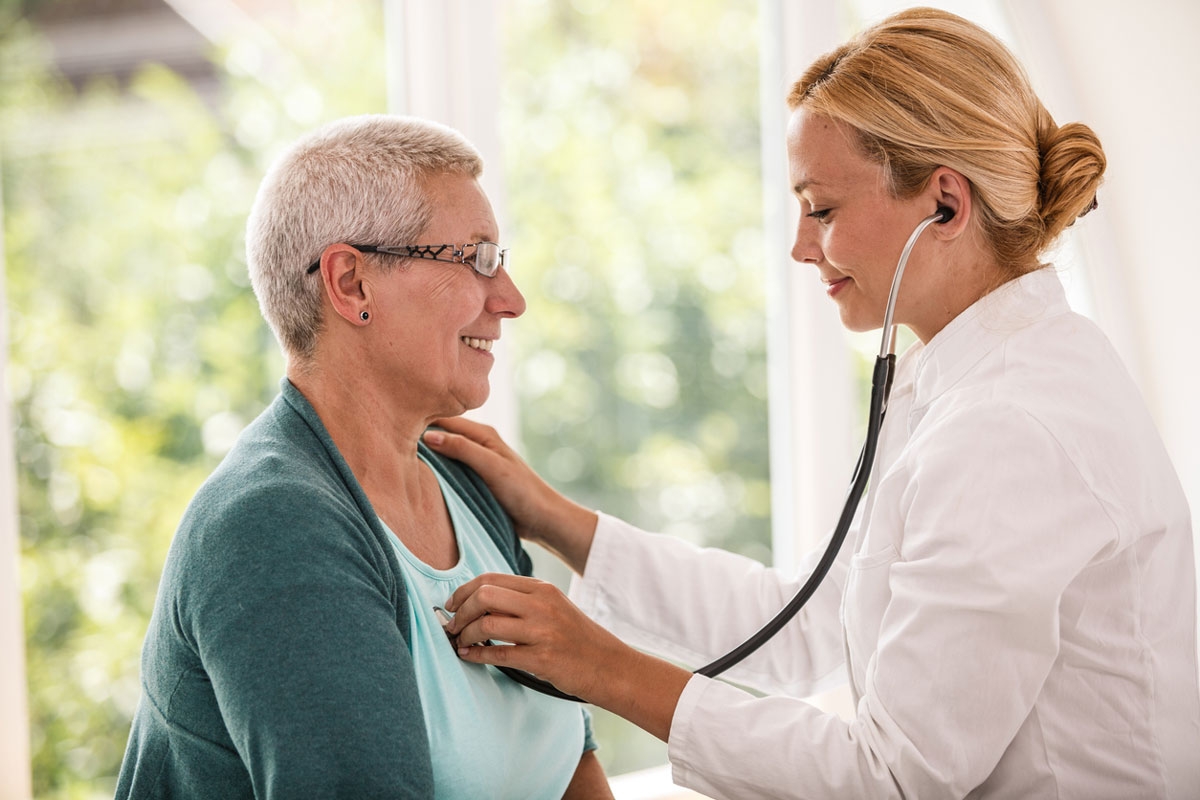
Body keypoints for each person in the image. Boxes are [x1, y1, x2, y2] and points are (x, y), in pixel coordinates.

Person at [423, 8, 1200, 799]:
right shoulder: (973, 379)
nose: (800, 246)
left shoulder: (1011, 428)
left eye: (821, 208)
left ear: (946, 206)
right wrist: (557, 520)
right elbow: (806, 621)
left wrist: (601, 667)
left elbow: (892, 778)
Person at [115, 115, 610, 799]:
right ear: (350, 284)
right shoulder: (272, 529)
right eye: (477, 259)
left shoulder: (466, 482)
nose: (511, 301)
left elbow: (570, 768)